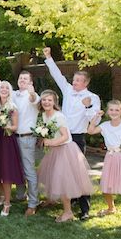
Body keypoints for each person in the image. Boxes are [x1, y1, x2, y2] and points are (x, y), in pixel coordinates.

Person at [43, 47, 100, 220]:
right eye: (74, 80)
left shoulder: (92, 97)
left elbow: (95, 121)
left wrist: (88, 106)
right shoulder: (67, 90)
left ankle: (85, 209)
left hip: (76, 138)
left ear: (86, 83)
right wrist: (49, 57)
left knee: (79, 172)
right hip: (61, 137)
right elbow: (57, 75)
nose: (74, 83)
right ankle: (71, 200)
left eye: (78, 81)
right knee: (62, 171)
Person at [0, 62, 40, 216]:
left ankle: (33, 203)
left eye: (26, 79)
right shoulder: (14, 95)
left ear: (31, 82)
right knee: (16, 168)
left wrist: (32, 92)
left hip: (26, 138)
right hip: (11, 138)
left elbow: (34, 100)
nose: (22, 81)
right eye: (20, 78)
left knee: (28, 170)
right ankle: (20, 195)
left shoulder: (33, 95)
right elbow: (0, 86)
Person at [37, 90, 94, 222]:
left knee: (63, 180)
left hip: (65, 150)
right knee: (50, 177)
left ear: (54, 102)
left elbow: (66, 137)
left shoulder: (58, 116)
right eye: (44, 99)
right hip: (54, 150)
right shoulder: (44, 115)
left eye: (49, 100)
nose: (46, 102)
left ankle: (68, 212)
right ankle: (51, 200)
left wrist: (50, 142)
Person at [87, 100, 121, 232]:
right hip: (111, 157)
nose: (114, 112)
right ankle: (111, 208)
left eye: (117, 110)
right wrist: (96, 117)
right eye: (111, 110)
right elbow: (90, 130)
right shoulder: (105, 125)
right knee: (106, 187)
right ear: (107, 111)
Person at [0, 80, 25, 216]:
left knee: (6, 173)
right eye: (1, 87)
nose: (3, 89)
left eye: (6, 88)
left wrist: (6, 126)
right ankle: (2, 195)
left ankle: (7, 203)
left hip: (7, 140)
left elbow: (15, 127)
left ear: (10, 91)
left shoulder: (12, 107)